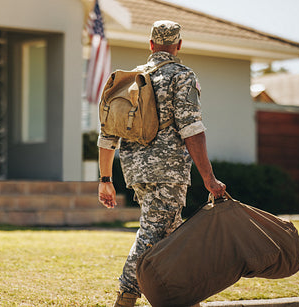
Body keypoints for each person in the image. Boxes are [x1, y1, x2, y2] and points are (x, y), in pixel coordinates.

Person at [97, 20, 226, 307]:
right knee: (153, 232)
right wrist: (209, 177)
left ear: (151, 44)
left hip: (135, 172)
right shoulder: (181, 76)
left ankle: (183, 298)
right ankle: (125, 297)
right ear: (178, 45)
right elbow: (191, 128)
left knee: (172, 233)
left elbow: (107, 134)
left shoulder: (131, 79)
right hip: (168, 171)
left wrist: (106, 180)